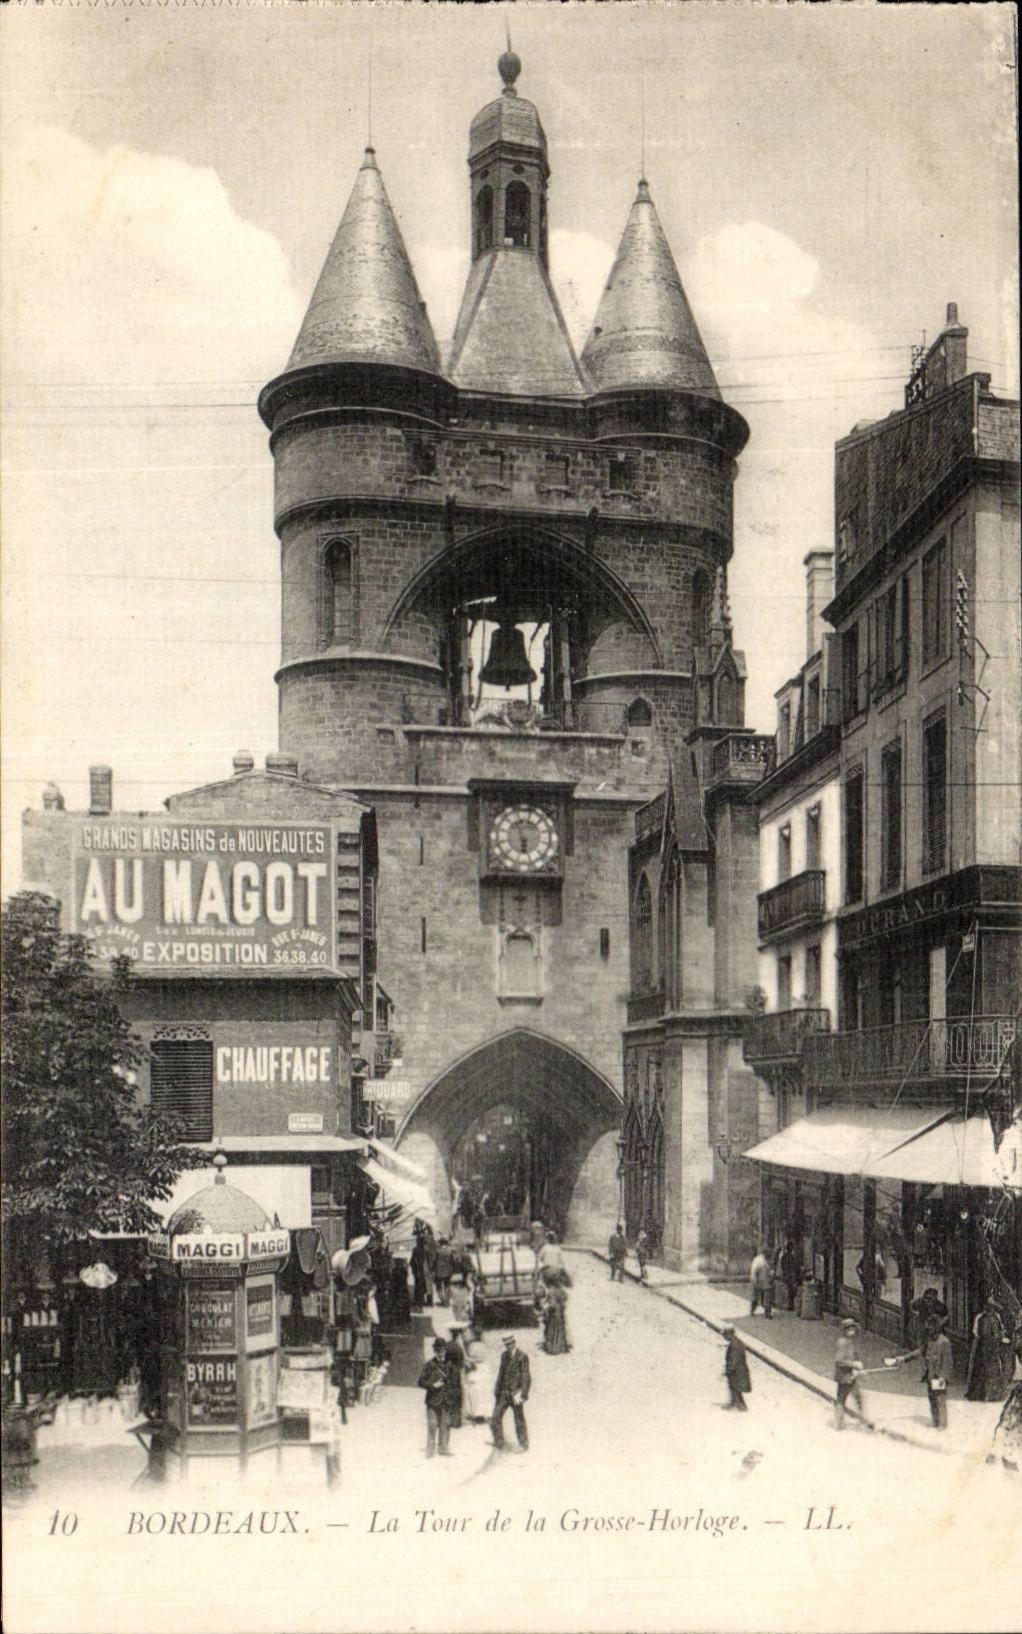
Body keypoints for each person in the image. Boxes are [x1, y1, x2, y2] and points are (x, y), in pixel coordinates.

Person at [885, 1313, 954, 1429]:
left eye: (931, 1328)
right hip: (930, 1376)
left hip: (939, 1377)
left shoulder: (944, 1342)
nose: (929, 1331)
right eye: (928, 1329)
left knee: (940, 1400)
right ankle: (935, 1422)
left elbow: (948, 1362)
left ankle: (942, 1425)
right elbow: (919, 1352)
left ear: (937, 1328)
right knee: (932, 1399)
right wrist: (903, 1358)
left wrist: (944, 1377)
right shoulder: (930, 1341)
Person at [491, 1333, 531, 1452]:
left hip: (516, 1394)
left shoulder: (522, 1357)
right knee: (496, 1416)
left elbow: (526, 1377)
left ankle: (523, 1444)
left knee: (519, 1419)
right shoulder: (504, 1356)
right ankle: (499, 1442)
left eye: (510, 1344)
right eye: (506, 1344)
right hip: (504, 1392)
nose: (508, 1346)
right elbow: (501, 1374)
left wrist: (523, 1394)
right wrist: (497, 1389)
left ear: (514, 1343)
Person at [965, 1297, 1009, 1402]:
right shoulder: (979, 1317)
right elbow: (975, 1331)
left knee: (994, 1369)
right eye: (988, 1306)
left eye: (992, 1307)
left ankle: (994, 1395)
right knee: (981, 1369)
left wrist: (999, 1337)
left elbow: (1001, 1328)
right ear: (985, 1306)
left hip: (994, 1347)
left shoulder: (997, 1317)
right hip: (983, 1346)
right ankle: (980, 1394)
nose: (990, 1308)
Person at [417, 1339, 452, 1458]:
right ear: (434, 1351)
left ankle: (443, 1448)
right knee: (432, 1425)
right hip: (432, 1401)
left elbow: (454, 1382)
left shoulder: (449, 1365)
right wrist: (432, 1386)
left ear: (445, 1350)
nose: (440, 1353)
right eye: (437, 1350)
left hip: (446, 1400)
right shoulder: (429, 1365)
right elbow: (420, 1382)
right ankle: (430, 1450)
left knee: (445, 1425)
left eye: (442, 1350)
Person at [833, 1317, 866, 1430]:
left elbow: (855, 1357)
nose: (852, 1330)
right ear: (845, 1330)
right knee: (841, 1400)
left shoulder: (850, 1342)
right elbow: (839, 1361)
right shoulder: (842, 1342)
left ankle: (861, 1419)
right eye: (850, 1328)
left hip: (851, 1376)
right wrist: (854, 1365)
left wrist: (860, 1370)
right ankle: (839, 1423)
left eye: (853, 1328)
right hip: (844, 1377)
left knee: (858, 1397)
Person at [462, 1325, 493, 1424]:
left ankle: (477, 1414)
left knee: (475, 1392)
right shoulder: (484, 1345)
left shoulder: (472, 1346)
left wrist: (467, 1361)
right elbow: (486, 1356)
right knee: (484, 1392)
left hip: (476, 1368)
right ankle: (486, 1413)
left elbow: (471, 1358)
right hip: (484, 1368)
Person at [540, 1271, 571, 1355]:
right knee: (560, 1329)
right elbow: (565, 1299)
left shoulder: (550, 1292)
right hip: (560, 1313)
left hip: (553, 1314)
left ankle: (553, 1348)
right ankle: (562, 1346)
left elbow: (552, 1304)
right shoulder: (561, 1291)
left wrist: (545, 1308)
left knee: (552, 1330)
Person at [721, 1324, 751, 1411]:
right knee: (734, 1387)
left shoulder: (735, 1344)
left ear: (729, 1333)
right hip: (738, 1370)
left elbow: (734, 1359)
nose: (724, 1337)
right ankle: (735, 1403)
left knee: (735, 1388)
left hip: (737, 1371)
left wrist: (728, 1370)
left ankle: (740, 1406)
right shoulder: (737, 1342)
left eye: (724, 1335)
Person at [444, 1324, 467, 1429]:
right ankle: (456, 1422)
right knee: (457, 1397)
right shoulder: (458, 1348)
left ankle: (445, 1420)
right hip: (455, 1375)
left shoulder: (447, 1345)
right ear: (458, 1335)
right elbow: (462, 1364)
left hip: (446, 1374)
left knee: (446, 1396)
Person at [749, 1246, 774, 1318]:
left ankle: (766, 1313)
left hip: (764, 1281)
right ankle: (753, 1311)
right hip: (760, 1281)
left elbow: (769, 1270)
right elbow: (754, 1271)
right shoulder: (759, 1260)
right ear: (765, 1253)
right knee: (758, 1297)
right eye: (768, 1254)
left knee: (765, 1298)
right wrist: (754, 1280)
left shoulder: (765, 1260)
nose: (770, 1255)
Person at [776, 1239, 800, 1313]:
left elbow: (783, 1266)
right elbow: (795, 1266)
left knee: (788, 1290)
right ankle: (790, 1305)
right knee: (791, 1290)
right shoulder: (791, 1257)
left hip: (786, 1275)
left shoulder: (784, 1256)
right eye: (792, 1247)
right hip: (791, 1275)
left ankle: (788, 1305)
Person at [434, 1238, 454, 1305]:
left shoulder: (437, 1250)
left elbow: (434, 1261)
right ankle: (447, 1301)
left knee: (438, 1286)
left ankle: (442, 1299)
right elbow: (452, 1260)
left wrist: (432, 1269)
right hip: (448, 1270)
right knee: (447, 1285)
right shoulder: (450, 1250)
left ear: (441, 1243)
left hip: (439, 1270)